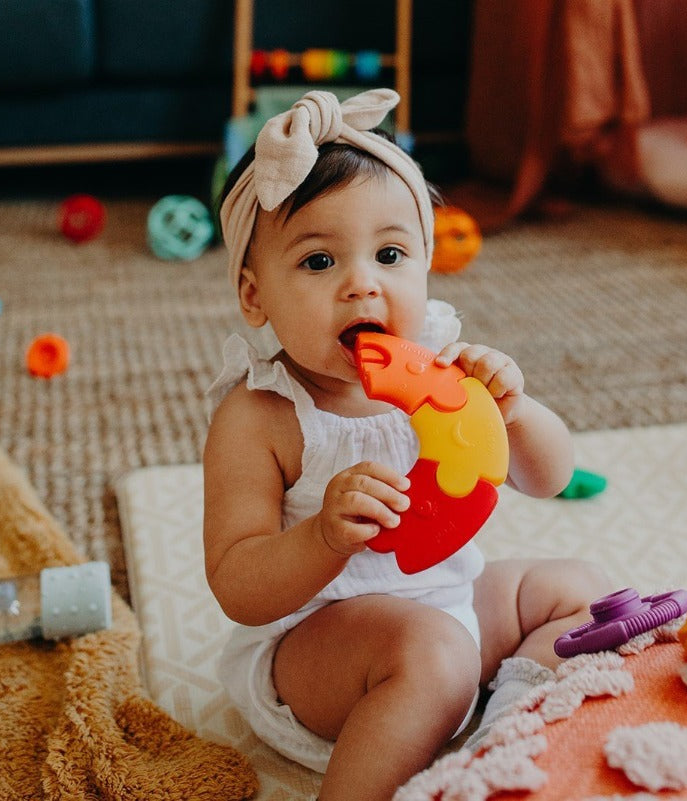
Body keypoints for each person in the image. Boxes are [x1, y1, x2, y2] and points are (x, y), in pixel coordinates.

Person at [203, 88, 612, 801]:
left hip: (448, 601)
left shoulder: (449, 369)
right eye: (319, 262)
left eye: (390, 253)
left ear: (425, 264)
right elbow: (238, 583)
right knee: (434, 652)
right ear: (254, 295)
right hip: (322, 647)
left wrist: (512, 411)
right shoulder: (261, 413)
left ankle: (510, 723)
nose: (363, 284)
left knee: (579, 588)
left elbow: (551, 476)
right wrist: (324, 535)